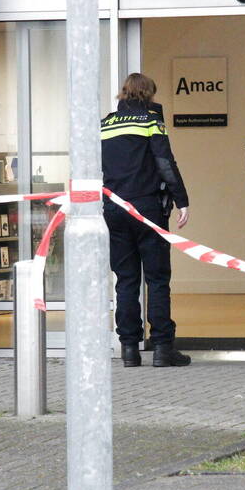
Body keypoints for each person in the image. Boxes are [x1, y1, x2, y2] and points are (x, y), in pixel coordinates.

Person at [101, 73, 192, 368]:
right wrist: (182, 201)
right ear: (149, 95)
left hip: (115, 209)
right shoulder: (150, 121)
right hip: (147, 208)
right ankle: (163, 348)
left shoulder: (105, 124)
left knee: (126, 280)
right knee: (157, 279)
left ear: (123, 94)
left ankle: (129, 348)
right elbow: (165, 162)